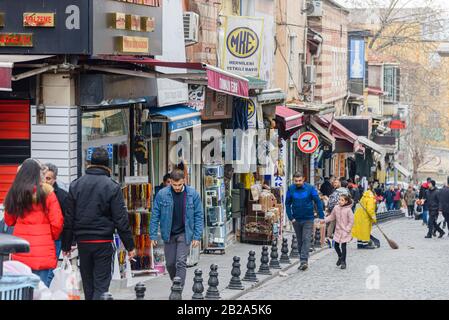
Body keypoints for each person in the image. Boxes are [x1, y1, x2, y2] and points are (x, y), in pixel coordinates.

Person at [61, 147, 136, 300]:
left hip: (83, 242)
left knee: (88, 284)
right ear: (107, 165)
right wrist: (130, 246)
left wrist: (66, 245)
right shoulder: (112, 186)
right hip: (103, 241)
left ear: (90, 163)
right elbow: (120, 220)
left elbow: (68, 218)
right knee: (101, 285)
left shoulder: (76, 185)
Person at [3, 158, 64, 287]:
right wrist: (50, 236)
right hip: (42, 249)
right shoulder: (47, 192)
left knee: (22, 289)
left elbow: (9, 220)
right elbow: (57, 222)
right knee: (40, 290)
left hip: (21, 248)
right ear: (38, 173)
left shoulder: (15, 192)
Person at [150, 169, 203, 293]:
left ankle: (178, 290)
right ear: (170, 182)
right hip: (168, 234)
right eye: (174, 185)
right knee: (170, 264)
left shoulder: (193, 194)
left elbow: (199, 215)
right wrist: (152, 235)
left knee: (180, 262)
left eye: (180, 185)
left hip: (185, 233)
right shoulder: (162, 194)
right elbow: (155, 215)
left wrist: (197, 236)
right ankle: (176, 282)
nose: (177, 187)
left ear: (184, 181)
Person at [285, 172, 325, 271]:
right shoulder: (291, 189)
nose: (298, 182)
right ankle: (302, 259)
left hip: (308, 218)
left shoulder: (310, 188)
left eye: (300, 180)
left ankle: (304, 261)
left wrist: (321, 216)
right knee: (299, 241)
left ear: (304, 179)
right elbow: (287, 204)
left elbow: (317, 201)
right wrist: (291, 218)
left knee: (306, 239)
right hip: (296, 219)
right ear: (293, 180)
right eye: (296, 181)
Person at [44, 163, 69, 284]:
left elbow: (67, 219)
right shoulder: (35, 194)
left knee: (50, 272)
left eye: (48, 178)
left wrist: (69, 242)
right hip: (41, 238)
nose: (45, 181)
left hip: (55, 238)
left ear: (54, 179)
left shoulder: (62, 196)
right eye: (43, 177)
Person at [325, 194, 354, 270]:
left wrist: (347, 229)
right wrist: (324, 220)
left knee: (343, 246)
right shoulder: (336, 208)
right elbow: (332, 217)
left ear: (346, 201)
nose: (340, 201)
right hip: (338, 230)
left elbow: (351, 221)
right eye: (339, 200)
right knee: (336, 245)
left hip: (345, 231)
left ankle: (343, 262)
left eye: (342, 200)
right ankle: (340, 256)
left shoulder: (348, 210)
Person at [352, 184, 378, 249]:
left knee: (360, 229)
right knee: (365, 230)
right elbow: (370, 209)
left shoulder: (364, 196)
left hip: (358, 215)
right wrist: (374, 218)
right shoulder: (370, 198)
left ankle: (360, 244)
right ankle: (365, 244)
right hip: (364, 217)